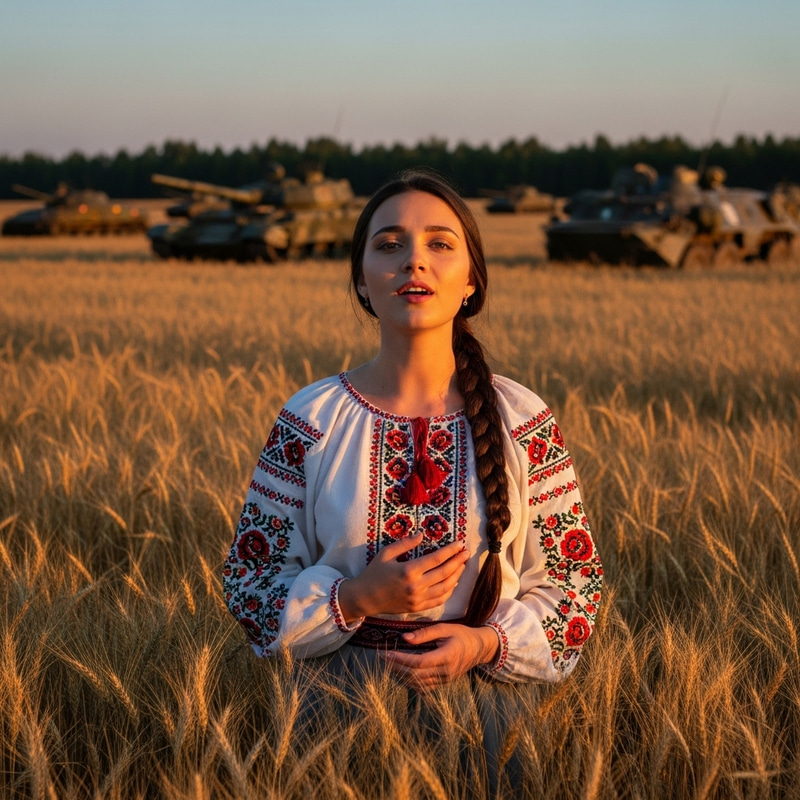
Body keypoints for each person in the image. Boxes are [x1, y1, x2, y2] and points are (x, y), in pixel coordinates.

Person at [223, 170, 602, 693]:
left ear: (471, 280)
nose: (414, 260)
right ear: (361, 279)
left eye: (440, 244)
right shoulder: (311, 419)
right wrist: (357, 599)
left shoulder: (522, 418)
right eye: (390, 244)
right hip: (334, 711)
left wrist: (483, 643)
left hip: (486, 714)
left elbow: (574, 586)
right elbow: (250, 586)